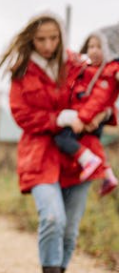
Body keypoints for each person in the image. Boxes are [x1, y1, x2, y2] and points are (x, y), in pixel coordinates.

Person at [0, 13, 108, 273]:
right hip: (40, 154)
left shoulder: (75, 64)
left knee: (70, 232)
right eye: (41, 39)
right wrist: (57, 118)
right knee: (53, 218)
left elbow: (101, 89)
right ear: (32, 38)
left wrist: (103, 111)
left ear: (60, 38)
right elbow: (21, 114)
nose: (47, 45)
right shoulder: (22, 71)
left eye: (53, 38)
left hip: (77, 156)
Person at [51, 31, 119, 195]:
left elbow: (98, 99)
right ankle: (107, 175)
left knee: (62, 138)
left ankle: (88, 160)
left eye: (99, 47)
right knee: (91, 142)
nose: (94, 50)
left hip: (86, 117)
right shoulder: (86, 69)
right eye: (91, 46)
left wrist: (82, 118)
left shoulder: (108, 71)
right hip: (85, 116)